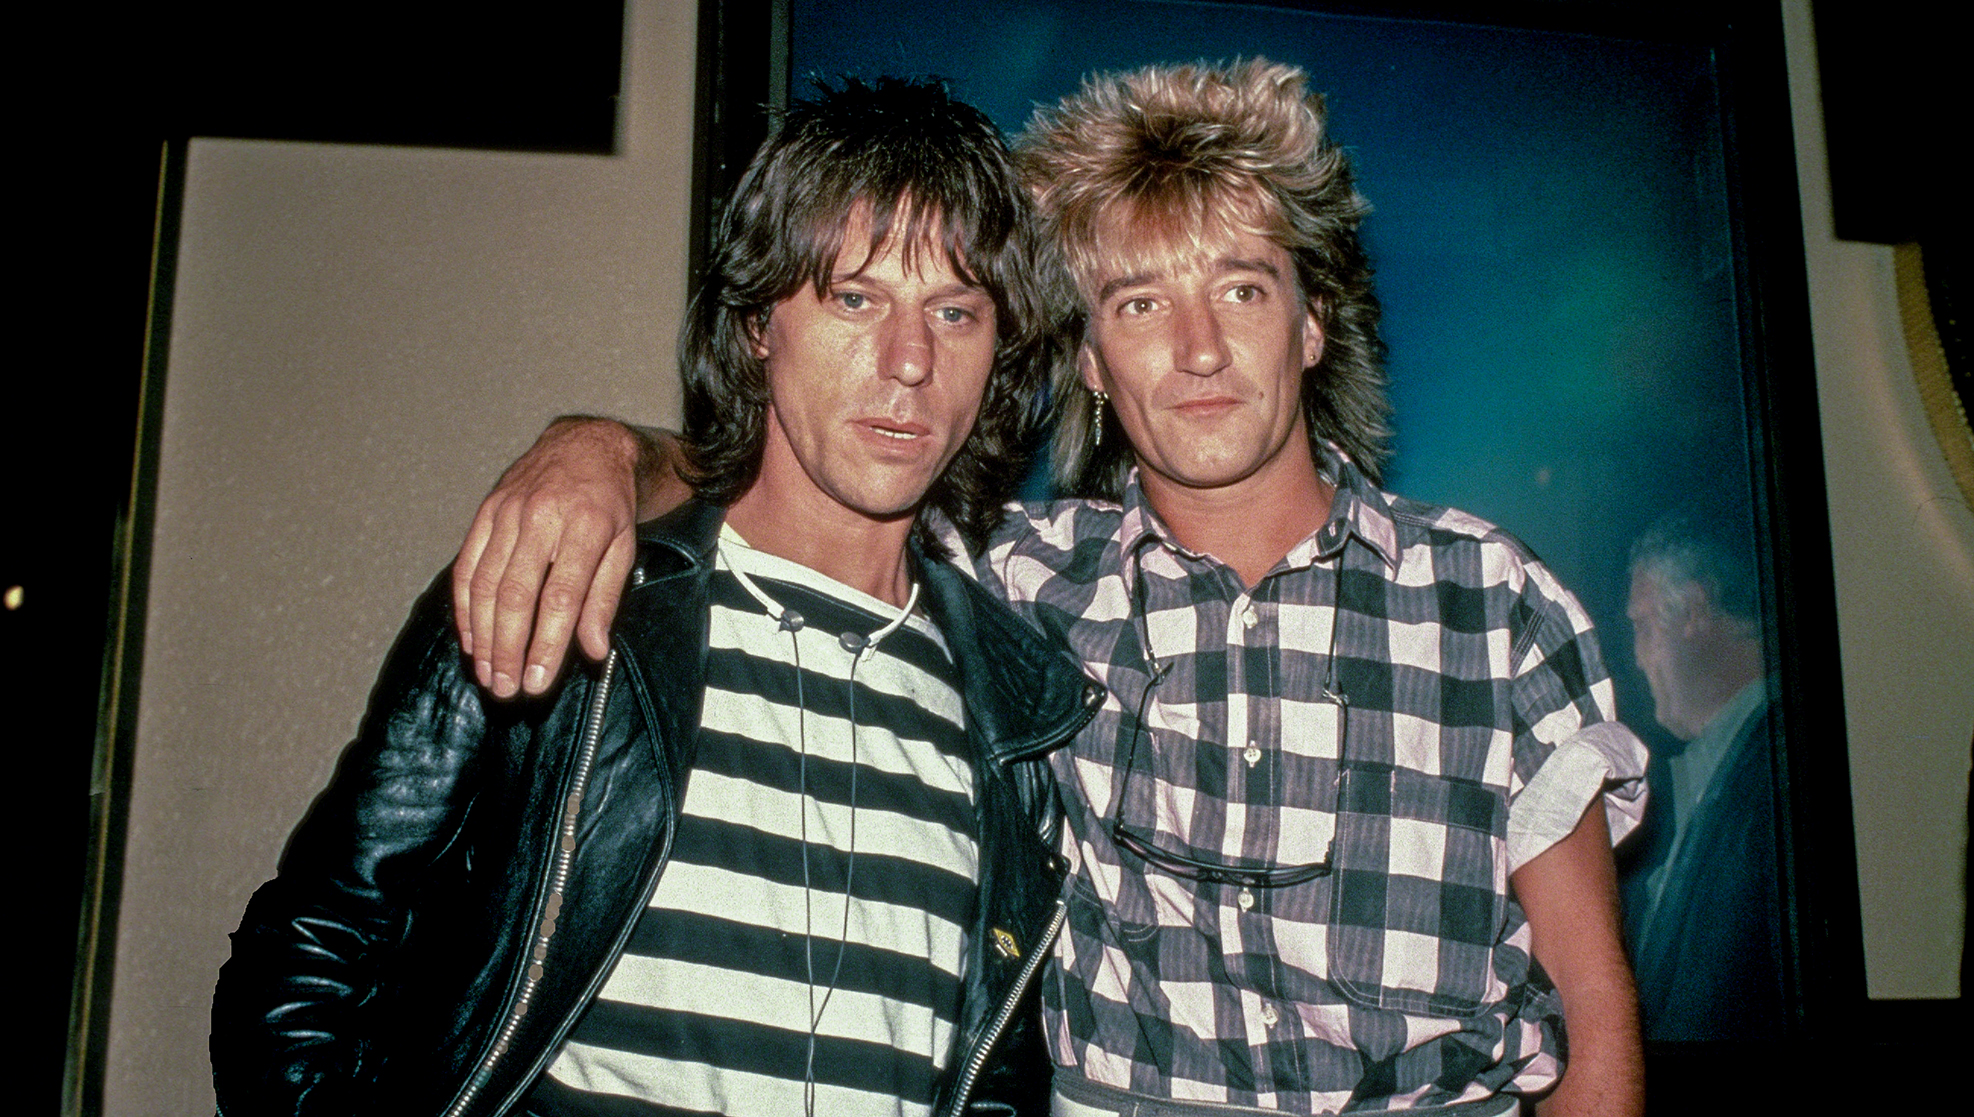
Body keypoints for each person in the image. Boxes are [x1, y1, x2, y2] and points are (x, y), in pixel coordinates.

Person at [457, 60, 1648, 1116]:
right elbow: (799, 467)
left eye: (1238, 288)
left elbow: (1595, 1027)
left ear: (1312, 325)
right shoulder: (1014, 592)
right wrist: (596, 447)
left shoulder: (1486, 598)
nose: (1194, 351)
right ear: (1086, 359)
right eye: (1137, 303)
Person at [210, 77, 1102, 1117]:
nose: (908, 361)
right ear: (760, 321)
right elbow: (309, 955)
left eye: (954, 312)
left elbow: (999, 1077)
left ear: (998, 354)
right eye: (854, 299)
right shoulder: (568, 591)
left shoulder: (1018, 708)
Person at [1621, 504, 1781, 1040]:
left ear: (1692, 610)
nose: (1638, 658)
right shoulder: (1721, 767)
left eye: (1643, 625)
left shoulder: (1773, 773)